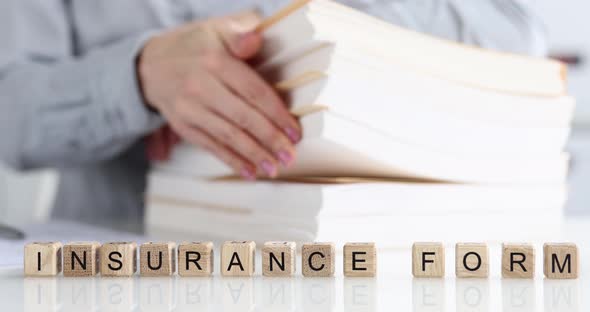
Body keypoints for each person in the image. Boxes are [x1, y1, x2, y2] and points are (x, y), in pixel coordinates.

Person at [0, 0, 547, 224]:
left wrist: (290, 40)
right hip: (127, 262)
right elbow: (10, 113)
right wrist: (140, 77)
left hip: (382, 261)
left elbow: (520, 43)